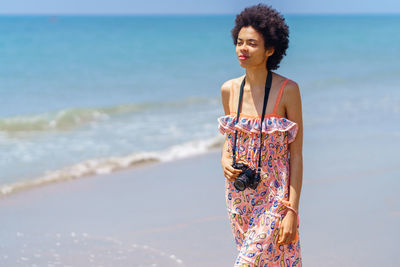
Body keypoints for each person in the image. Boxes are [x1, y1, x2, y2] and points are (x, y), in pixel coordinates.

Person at [218, 4, 303, 266]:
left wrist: (291, 211)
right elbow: (229, 138)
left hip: (275, 196)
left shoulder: (288, 90)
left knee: (247, 262)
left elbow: (296, 154)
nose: (242, 48)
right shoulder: (228, 89)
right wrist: (224, 159)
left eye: (252, 43)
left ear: (270, 49)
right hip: (239, 195)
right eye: (239, 42)